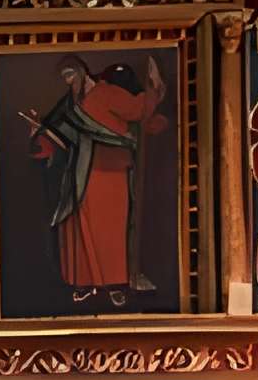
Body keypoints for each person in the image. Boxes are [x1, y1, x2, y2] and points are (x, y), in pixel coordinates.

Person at [21, 55, 168, 305]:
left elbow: (138, 110)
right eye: (65, 78)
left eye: (71, 75)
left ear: (82, 71)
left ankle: (115, 284)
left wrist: (154, 87)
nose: (69, 82)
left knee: (109, 230)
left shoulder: (106, 92)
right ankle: (84, 283)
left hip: (110, 171)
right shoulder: (71, 104)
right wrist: (38, 133)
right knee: (79, 229)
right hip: (79, 173)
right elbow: (60, 138)